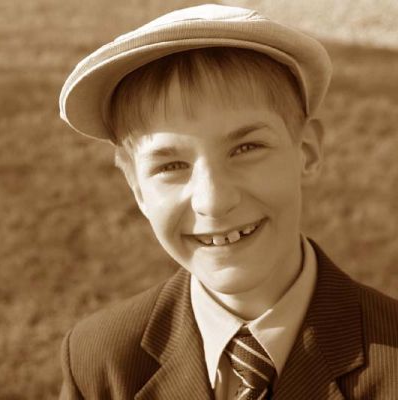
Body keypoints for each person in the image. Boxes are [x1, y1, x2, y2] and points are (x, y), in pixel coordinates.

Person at [58, 4, 398, 399]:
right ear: (137, 190)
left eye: (246, 148)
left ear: (306, 151)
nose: (214, 201)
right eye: (171, 166)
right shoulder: (101, 360)